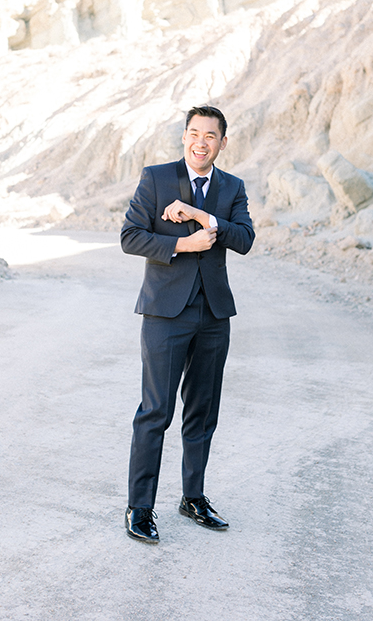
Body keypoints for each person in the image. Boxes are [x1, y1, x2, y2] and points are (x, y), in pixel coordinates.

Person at [121, 105, 255, 544]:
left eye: (210, 136)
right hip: (165, 312)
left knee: (202, 412)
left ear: (222, 142)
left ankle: (192, 498)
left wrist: (204, 219)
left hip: (214, 315)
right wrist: (184, 244)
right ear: (184, 137)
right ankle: (140, 508)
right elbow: (130, 236)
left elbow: (245, 239)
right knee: (155, 412)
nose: (201, 142)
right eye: (194, 133)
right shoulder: (156, 178)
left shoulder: (232, 188)